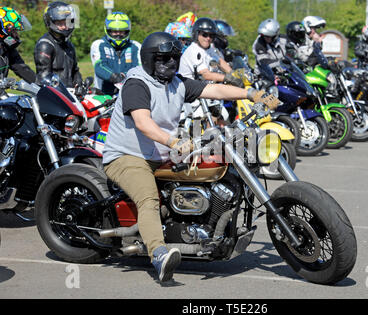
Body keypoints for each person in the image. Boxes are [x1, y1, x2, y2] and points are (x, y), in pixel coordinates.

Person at [102, 32, 280, 282]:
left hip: (161, 153)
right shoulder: (137, 84)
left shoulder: (177, 83)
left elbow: (214, 89)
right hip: (128, 156)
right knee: (148, 198)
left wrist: (252, 94)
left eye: (174, 58)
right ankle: (159, 254)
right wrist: (173, 141)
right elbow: (143, 122)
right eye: (164, 59)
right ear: (150, 60)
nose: (171, 64)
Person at [178, 17, 242, 87]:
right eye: (204, 34)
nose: (208, 38)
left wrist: (234, 74)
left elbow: (219, 61)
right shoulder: (193, 51)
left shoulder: (208, 48)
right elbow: (206, 75)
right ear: (196, 34)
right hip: (191, 91)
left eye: (211, 35)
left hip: (204, 88)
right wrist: (229, 78)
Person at [90, 12, 141, 95]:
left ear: (127, 31)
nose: (118, 34)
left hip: (130, 93)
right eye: (114, 31)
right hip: (103, 94)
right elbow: (99, 66)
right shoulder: (99, 44)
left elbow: (139, 69)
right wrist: (114, 77)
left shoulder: (136, 46)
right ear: (107, 30)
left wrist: (124, 76)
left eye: (122, 31)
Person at [34, 1, 82, 87]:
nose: (65, 26)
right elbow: (43, 78)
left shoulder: (69, 45)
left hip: (70, 94)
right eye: (60, 23)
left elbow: (75, 71)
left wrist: (79, 84)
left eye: (67, 22)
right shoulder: (45, 45)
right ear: (50, 22)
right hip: (53, 95)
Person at [0, 7, 35, 84]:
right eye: (14, 31)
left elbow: (22, 69)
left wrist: (43, 86)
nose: (16, 35)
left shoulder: (7, 48)